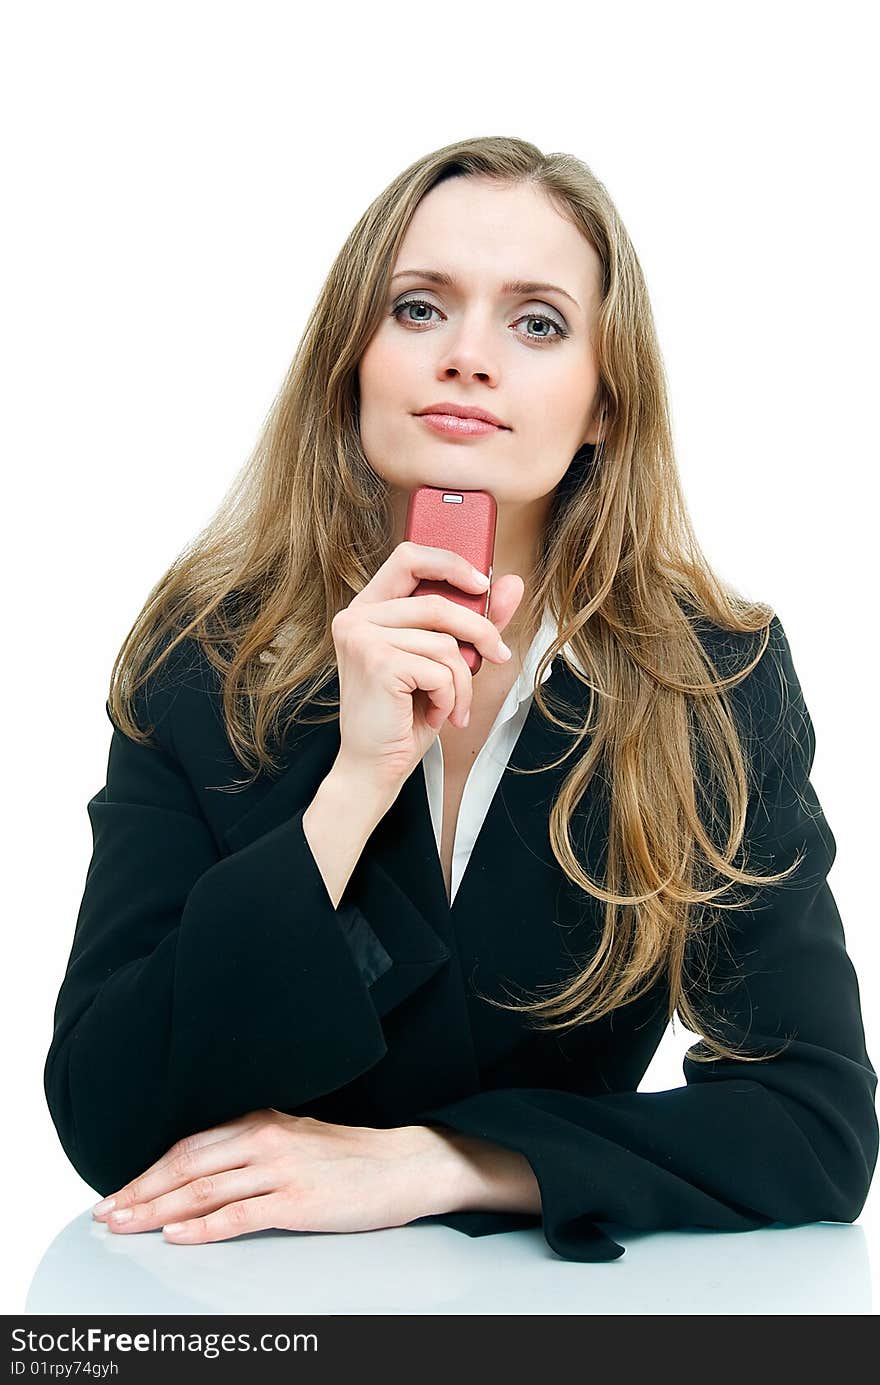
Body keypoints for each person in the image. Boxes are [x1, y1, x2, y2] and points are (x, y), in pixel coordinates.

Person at [44, 135, 878, 1263]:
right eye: (420, 308)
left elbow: (818, 1123)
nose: (469, 357)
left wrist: (439, 1161)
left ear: (602, 406)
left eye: (537, 322)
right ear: (353, 358)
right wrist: (354, 785)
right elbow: (108, 1113)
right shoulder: (202, 659)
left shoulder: (713, 678)